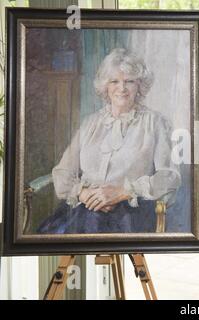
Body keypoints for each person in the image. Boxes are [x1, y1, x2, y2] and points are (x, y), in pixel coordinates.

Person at [37, 48, 181, 234]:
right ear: (105, 86)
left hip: (130, 213)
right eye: (114, 81)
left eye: (129, 81)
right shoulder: (91, 123)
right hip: (84, 208)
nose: (122, 88)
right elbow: (62, 172)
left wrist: (123, 192)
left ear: (140, 86)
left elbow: (170, 177)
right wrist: (83, 193)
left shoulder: (156, 122)